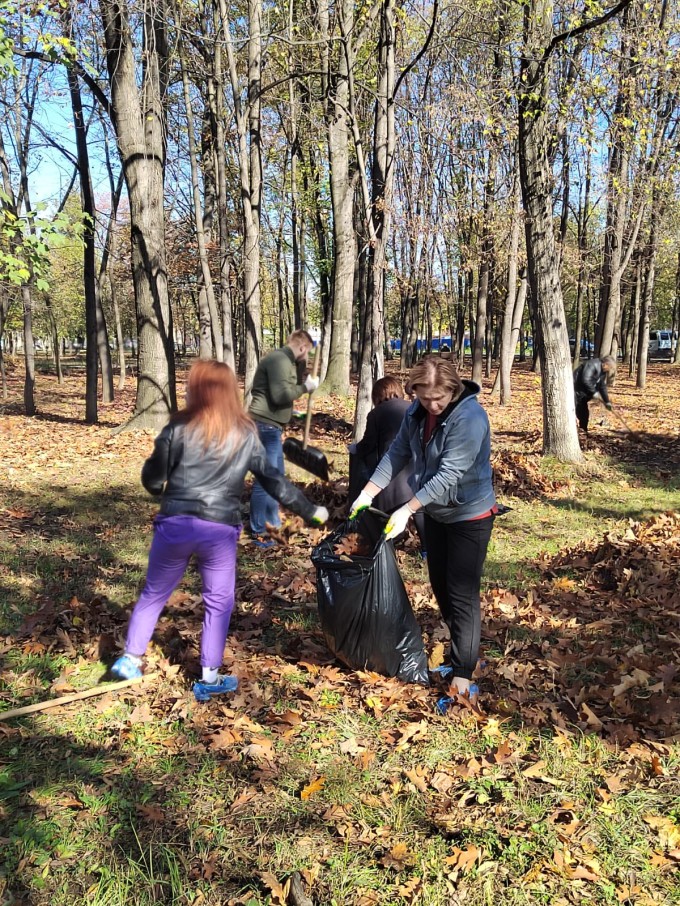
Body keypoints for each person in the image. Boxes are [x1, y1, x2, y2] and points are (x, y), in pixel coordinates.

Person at [110, 359, 328, 700]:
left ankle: (129, 658)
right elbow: (274, 481)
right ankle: (209, 677)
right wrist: (311, 510)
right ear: (231, 392)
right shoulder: (245, 433)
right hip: (218, 529)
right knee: (219, 601)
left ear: (194, 389)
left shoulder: (177, 428)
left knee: (154, 592)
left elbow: (152, 477)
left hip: (175, 524)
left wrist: (163, 493)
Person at [349, 356, 497, 703]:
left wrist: (406, 509)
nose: (432, 405)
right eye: (424, 397)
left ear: (452, 388)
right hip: (436, 513)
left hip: (469, 515)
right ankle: (466, 655)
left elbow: (449, 474)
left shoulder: (470, 418)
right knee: (441, 587)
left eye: (438, 399)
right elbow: (397, 453)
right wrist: (366, 493)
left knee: (462, 593)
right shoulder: (416, 413)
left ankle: (462, 677)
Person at [248, 329, 319, 548]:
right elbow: (280, 395)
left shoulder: (288, 361)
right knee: (266, 480)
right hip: (263, 426)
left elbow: (289, 386)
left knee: (275, 479)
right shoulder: (279, 360)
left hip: (271, 426)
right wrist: (306, 387)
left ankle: (272, 523)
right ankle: (260, 531)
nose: (308, 356)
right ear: (302, 347)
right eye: (307, 351)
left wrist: (301, 369)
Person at [348, 375, 426, 556]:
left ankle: (385, 546)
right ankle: (426, 549)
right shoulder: (413, 408)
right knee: (419, 508)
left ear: (378, 396)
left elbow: (369, 443)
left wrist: (355, 449)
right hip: (415, 465)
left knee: (385, 508)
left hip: (390, 469)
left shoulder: (376, 414)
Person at [573, 355, 616, 434]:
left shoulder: (603, 372)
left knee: (584, 415)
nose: (609, 370)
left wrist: (607, 401)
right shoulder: (592, 364)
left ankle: (583, 432)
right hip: (575, 390)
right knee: (574, 413)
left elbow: (602, 386)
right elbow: (585, 379)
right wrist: (594, 392)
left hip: (583, 395)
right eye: (610, 367)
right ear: (606, 364)